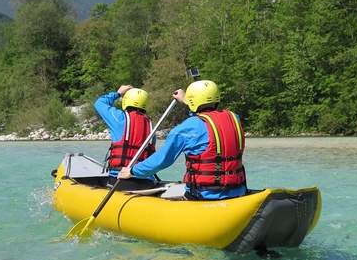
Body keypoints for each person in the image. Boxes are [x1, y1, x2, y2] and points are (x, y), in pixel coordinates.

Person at [117, 80, 247, 200]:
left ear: (192, 101)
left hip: (203, 194)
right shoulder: (234, 118)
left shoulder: (186, 128)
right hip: (238, 190)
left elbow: (162, 159)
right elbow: (209, 118)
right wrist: (186, 100)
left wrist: (133, 171)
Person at [94, 85, 158, 191]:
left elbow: (99, 103)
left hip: (121, 181)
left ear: (126, 101)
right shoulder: (150, 125)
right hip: (148, 183)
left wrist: (118, 93)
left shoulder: (119, 118)